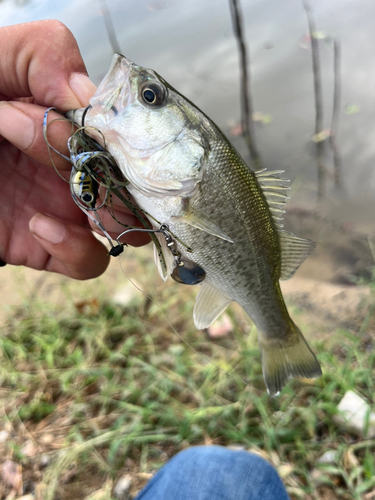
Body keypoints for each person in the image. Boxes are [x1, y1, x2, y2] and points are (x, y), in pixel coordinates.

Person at [0, 20, 290, 500]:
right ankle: (278, 335)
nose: (136, 87)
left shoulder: (192, 179)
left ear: (192, 153)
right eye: (151, 96)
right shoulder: (173, 178)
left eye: (150, 98)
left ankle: (277, 334)